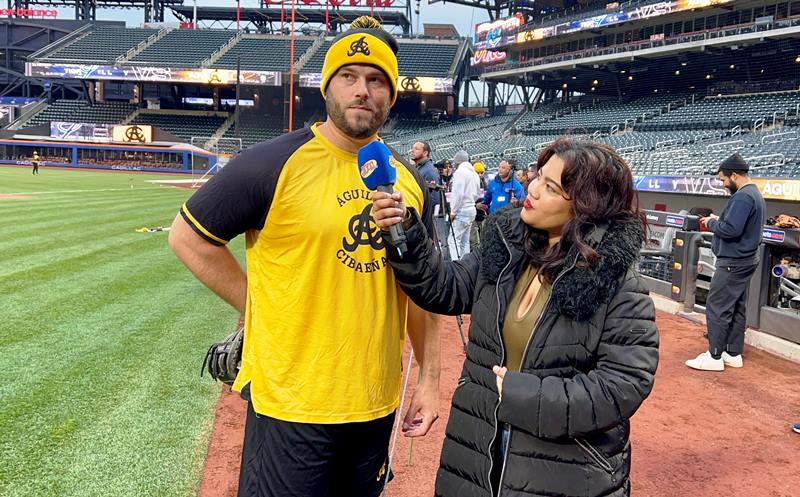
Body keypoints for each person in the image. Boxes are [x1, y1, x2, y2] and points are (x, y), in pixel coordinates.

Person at [168, 16, 440, 497]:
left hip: (374, 401)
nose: (363, 90)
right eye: (349, 77)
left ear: (391, 95)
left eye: (377, 80)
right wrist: (256, 304)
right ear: (327, 88)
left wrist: (429, 378)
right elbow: (188, 237)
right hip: (290, 399)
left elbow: (421, 287)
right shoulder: (271, 163)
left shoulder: (408, 181)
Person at [372, 138, 659, 497]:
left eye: (550, 187)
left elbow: (623, 385)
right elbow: (441, 286)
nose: (532, 189)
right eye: (538, 177)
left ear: (586, 206)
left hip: (563, 474)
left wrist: (523, 396)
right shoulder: (506, 247)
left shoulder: (616, 282)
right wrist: (403, 233)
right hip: (475, 455)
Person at [686, 153, 766, 371]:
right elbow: (738, 225)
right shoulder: (753, 193)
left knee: (717, 306)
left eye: (723, 179)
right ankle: (733, 353)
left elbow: (731, 230)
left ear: (734, 175)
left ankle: (714, 356)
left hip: (734, 261)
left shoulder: (743, 196)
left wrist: (712, 223)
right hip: (746, 259)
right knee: (737, 306)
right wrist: (720, 221)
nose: (723, 184)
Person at [447, 150, 480, 259]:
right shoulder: (474, 173)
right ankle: (465, 265)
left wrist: (453, 211)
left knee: (453, 240)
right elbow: (477, 194)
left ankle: (456, 265)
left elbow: (458, 194)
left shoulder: (460, 172)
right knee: (465, 241)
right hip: (471, 209)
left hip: (462, 210)